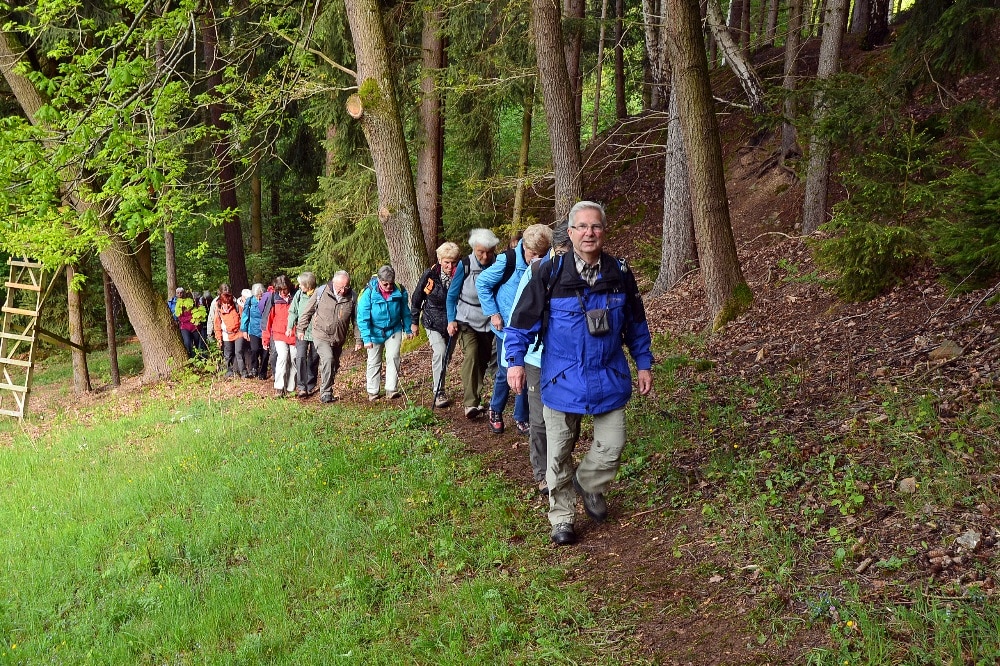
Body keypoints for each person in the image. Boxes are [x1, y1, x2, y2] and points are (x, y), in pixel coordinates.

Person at [505, 201, 654, 546]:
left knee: (612, 446)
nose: (589, 233)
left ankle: (587, 483)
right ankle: (562, 518)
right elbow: (521, 324)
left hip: (609, 376)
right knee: (558, 454)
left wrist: (643, 363)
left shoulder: (619, 273)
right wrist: (515, 362)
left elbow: (635, 324)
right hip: (561, 379)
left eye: (596, 226)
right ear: (570, 233)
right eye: (582, 227)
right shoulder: (549, 273)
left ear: (604, 231)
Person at [504, 222, 571, 496]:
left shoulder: (584, 271)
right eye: (564, 252)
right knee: (540, 419)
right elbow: (517, 319)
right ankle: (543, 473)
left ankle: (561, 466)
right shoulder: (536, 271)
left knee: (565, 419)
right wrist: (515, 361)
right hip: (536, 357)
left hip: (566, 359)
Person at [477, 224, 552, 436]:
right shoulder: (507, 261)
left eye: (542, 254)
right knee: (506, 371)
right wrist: (493, 313)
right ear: (524, 246)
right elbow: (482, 283)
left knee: (527, 371)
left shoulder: (547, 264)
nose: (537, 258)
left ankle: (521, 417)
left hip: (531, 329)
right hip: (507, 328)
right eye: (533, 254)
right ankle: (496, 410)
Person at [446, 228, 499, 418]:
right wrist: (451, 319)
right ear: (474, 249)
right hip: (466, 319)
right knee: (472, 354)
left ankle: (477, 397)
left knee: (483, 359)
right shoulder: (465, 265)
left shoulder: (498, 263)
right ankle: (470, 403)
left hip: (488, 320)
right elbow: (452, 295)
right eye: (480, 252)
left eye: (489, 252)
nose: (485, 256)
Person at [298, 270, 362, 404]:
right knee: (328, 359)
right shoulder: (321, 292)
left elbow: (356, 320)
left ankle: (327, 384)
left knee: (334, 364)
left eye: (346, 287)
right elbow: (307, 311)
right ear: (333, 283)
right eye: (340, 287)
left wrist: (358, 339)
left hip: (338, 338)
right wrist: (301, 329)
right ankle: (326, 393)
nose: (343, 290)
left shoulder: (352, 297)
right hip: (321, 334)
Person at [411, 242, 461, 408]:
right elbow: (417, 298)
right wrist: (414, 322)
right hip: (432, 321)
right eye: (447, 262)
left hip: (453, 323)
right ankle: (439, 391)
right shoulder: (430, 275)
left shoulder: (461, 275)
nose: (450, 266)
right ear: (440, 260)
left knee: (446, 357)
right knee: (440, 352)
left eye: (453, 262)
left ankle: (439, 381)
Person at [357, 265, 412, 401]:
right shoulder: (368, 293)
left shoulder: (400, 291)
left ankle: (391, 389)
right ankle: (372, 391)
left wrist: (408, 329)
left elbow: (405, 311)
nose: (388, 287)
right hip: (374, 331)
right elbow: (362, 317)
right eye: (385, 284)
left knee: (393, 357)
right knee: (374, 361)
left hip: (394, 328)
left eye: (391, 284)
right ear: (379, 281)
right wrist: (366, 338)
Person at [261, 275, 297, 397]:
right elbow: (267, 319)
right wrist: (265, 338)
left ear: (289, 287)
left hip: (294, 334)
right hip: (278, 333)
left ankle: (291, 388)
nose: (282, 292)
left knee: (293, 359)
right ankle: (279, 388)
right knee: (282, 357)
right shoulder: (274, 297)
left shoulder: (296, 295)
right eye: (280, 290)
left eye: (284, 289)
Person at [288, 272, 320, 398]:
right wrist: (289, 326)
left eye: (301, 284)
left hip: (317, 332)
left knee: (313, 358)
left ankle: (310, 385)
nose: (299, 286)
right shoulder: (299, 294)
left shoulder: (319, 294)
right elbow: (293, 311)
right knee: (300, 357)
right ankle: (302, 387)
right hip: (301, 331)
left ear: (308, 285)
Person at [213, 290, 243, 378]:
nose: (226, 305)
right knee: (228, 354)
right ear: (221, 302)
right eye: (224, 303)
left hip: (238, 333)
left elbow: (243, 319)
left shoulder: (237, 307)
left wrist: (244, 331)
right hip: (226, 335)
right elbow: (217, 326)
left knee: (238, 352)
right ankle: (228, 372)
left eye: (228, 303)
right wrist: (219, 339)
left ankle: (241, 372)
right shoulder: (218, 311)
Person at [241, 283, 267, 379]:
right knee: (254, 349)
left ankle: (263, 372)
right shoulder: (250, 301)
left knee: (265, 352)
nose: (259, 298)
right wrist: (244, 330)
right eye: (257, 296)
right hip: (253, 330)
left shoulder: (267, 300)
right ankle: (254, 368)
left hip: (265, 330)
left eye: (261, 295)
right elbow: (245, 315)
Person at [174, 289, 204, 357]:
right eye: (178, 293)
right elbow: (180, 318)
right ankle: (190, 357)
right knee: (187, 342)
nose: (180, 294)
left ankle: (198, 357)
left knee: (197, 343)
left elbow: (199, 313)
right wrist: (191, 317)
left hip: (195, 327)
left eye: (182, 293)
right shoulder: (179, 305)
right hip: (185, 327)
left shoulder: (195, 303)